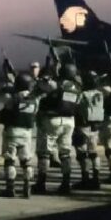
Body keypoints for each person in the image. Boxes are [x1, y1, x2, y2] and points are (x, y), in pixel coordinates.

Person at [36, 58, 81, 194]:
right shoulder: (77, 87)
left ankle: (41, 184)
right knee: (65, 153)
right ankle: (66, 183)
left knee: (44, 153)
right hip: (70, 121)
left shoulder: (57, 84)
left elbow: (40, 87)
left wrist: (47, 76)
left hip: (53, 119)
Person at [0, 72, 40, 198]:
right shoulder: (35, 100)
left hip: (12, 131)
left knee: (10, 160)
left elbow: (2, 97)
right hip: (27, 133)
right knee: (26, 161)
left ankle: (10, 188)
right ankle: (27, 187)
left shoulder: (13, 98)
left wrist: (9, 85)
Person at [75, 70, 105, 189]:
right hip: (95, 126)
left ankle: (85, 178)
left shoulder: (83, 94)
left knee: (82, 153)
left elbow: (76, 106)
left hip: (83, 125)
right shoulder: (100, 94)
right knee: (93, 153)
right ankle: (96, 177)